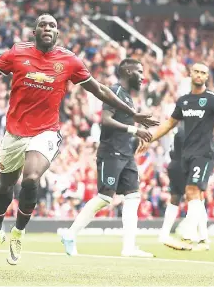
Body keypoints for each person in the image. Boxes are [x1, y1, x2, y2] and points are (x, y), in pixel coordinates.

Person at [0, 14, 158, 267]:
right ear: (34, 31)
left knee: (30, 178)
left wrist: (132, 113)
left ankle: (18, 232)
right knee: (3, 189)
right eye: (43, 24)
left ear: (58, 32)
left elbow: (100, 90)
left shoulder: (69, 61)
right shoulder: (17, 53)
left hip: (46, 132)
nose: (48, 28)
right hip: (14, 133)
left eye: (52, 25)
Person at [137, 63, 214, 250]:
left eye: (203, 73)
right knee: (195, 196)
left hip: (204, 153)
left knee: (192, 191)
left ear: (207, 77)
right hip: (186, 154)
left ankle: (187, 234)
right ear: (190, 74)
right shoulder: (183, 101)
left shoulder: (212, 99)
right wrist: (150, 138)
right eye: (197, 72)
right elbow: (169, 124)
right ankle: (203, 240)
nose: (200, 75)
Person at [61, 59, 155, 258]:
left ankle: (129, 248)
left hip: (126, 154)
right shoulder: (115, 91)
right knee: (104, 198)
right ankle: (70, 234)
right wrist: (134, 129)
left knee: (133, 197)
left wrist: (134, 138)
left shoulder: (128, 97)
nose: (143, 75)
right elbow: (105, 120)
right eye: (139, 70)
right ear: (128, 72)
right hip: (111, 152)